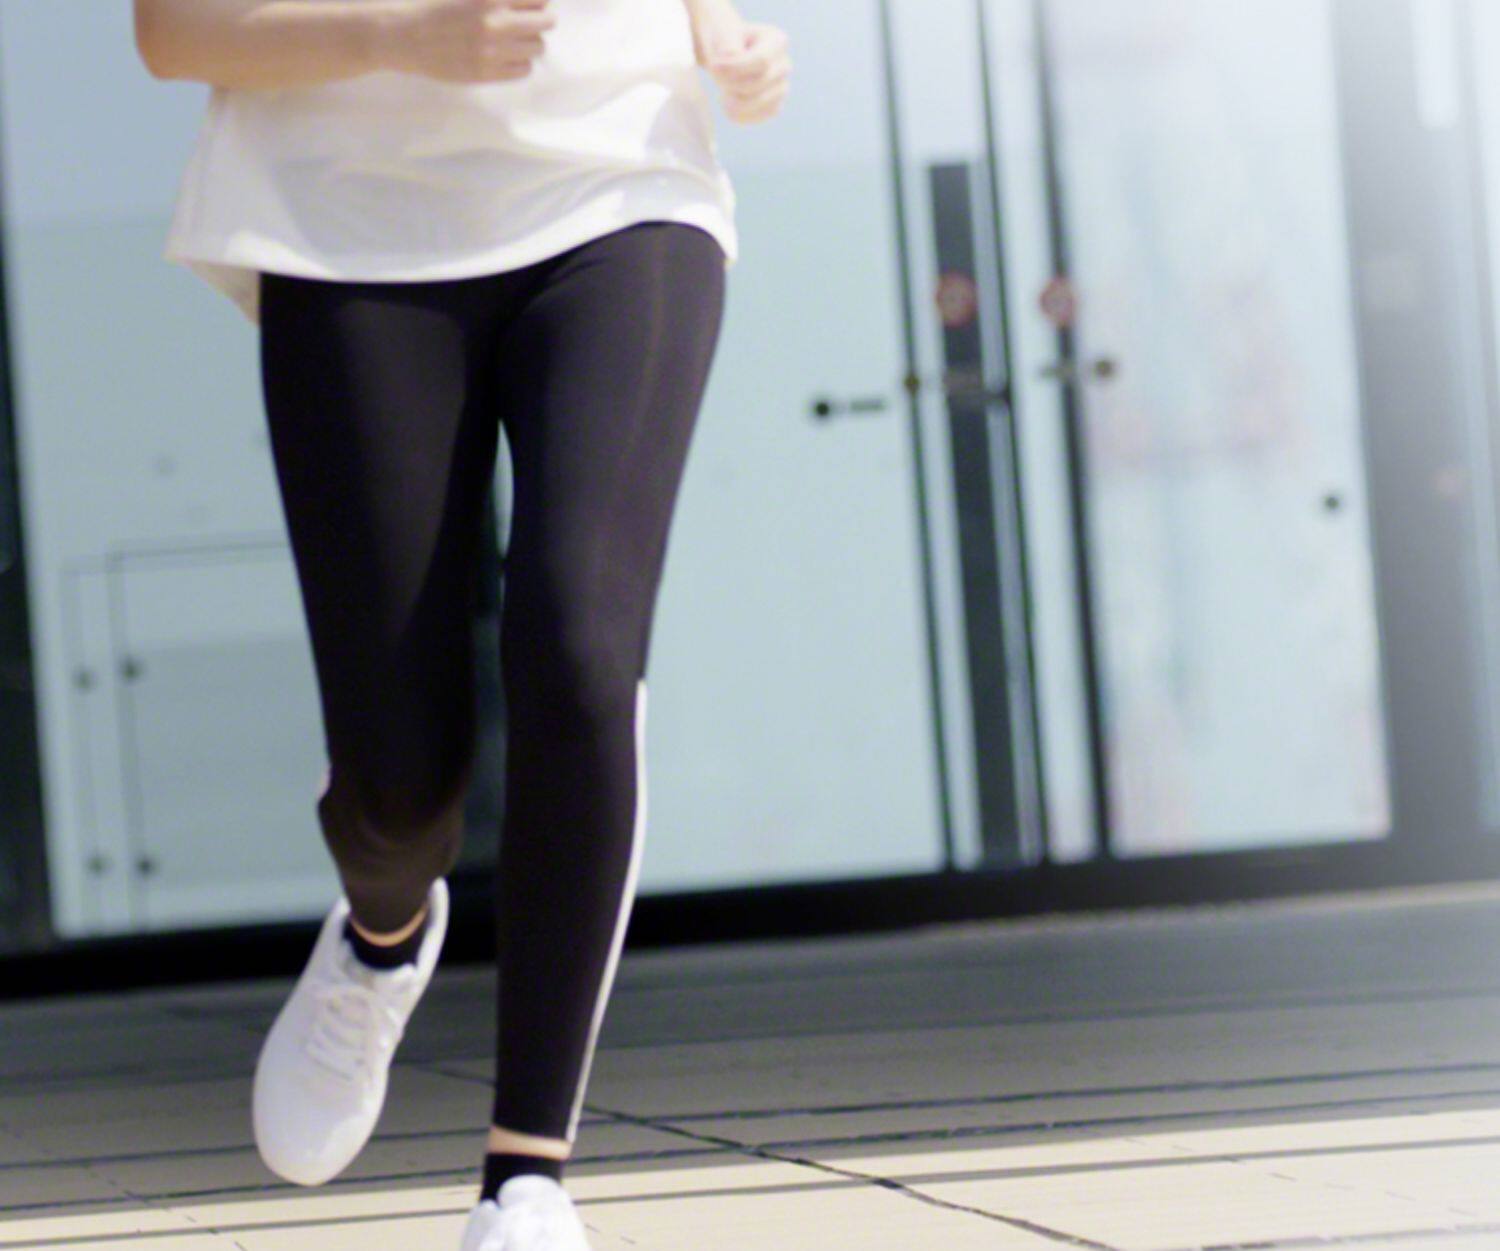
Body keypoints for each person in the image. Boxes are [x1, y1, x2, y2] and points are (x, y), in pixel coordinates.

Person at [132, 1, 791, 1247]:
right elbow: (174, 31)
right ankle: (382, 939)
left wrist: (724, 32)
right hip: (345, 228)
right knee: (398, 785)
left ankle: (525, 1180)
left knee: (581, 649)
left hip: (621, 186)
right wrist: (399, 34)